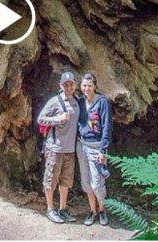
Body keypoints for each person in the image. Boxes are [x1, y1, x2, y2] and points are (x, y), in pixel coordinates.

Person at [37, 71, 80, 224]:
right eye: (65, 85)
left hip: (70, 149)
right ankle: (50, 209)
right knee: (50, 179)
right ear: (60, 86)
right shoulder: (55, 101)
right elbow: (40, 118)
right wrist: (57, 119)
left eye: (71, 84)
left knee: (66, 181)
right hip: (55, 148)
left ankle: (63, 208)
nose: (69, 87)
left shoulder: (77, 101)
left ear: (75, 85)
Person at [75, 72, 113, 226]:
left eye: (89, 86)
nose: (86, 88)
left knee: (97, 183)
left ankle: (102, 209)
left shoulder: (102, 102)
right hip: (81, 145)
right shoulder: (80, 101)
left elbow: (107, 127)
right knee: (86, 182)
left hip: (97, 147)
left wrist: (103, 150)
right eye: (84, 85)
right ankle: (93, 210)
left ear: (95, 86)